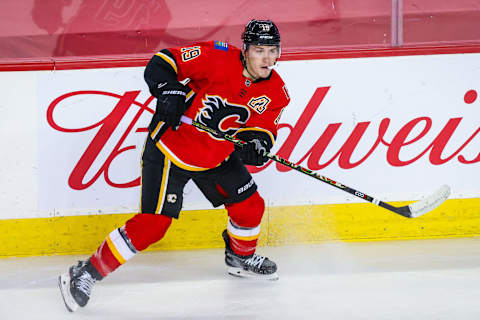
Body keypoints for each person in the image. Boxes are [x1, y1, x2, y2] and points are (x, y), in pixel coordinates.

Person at [58, 19, 290, 312]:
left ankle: (240, 258)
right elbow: (163, 61)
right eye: (259, 50)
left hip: (216, 155)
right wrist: (169, 90)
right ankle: (84, 273)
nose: (267, 58)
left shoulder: (276, 91)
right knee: (152, 226)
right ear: (245, 50)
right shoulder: (216, 56)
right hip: (171, 149)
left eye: (272, 50)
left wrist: (257, 145)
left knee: (251, 207)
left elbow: (262, 130)